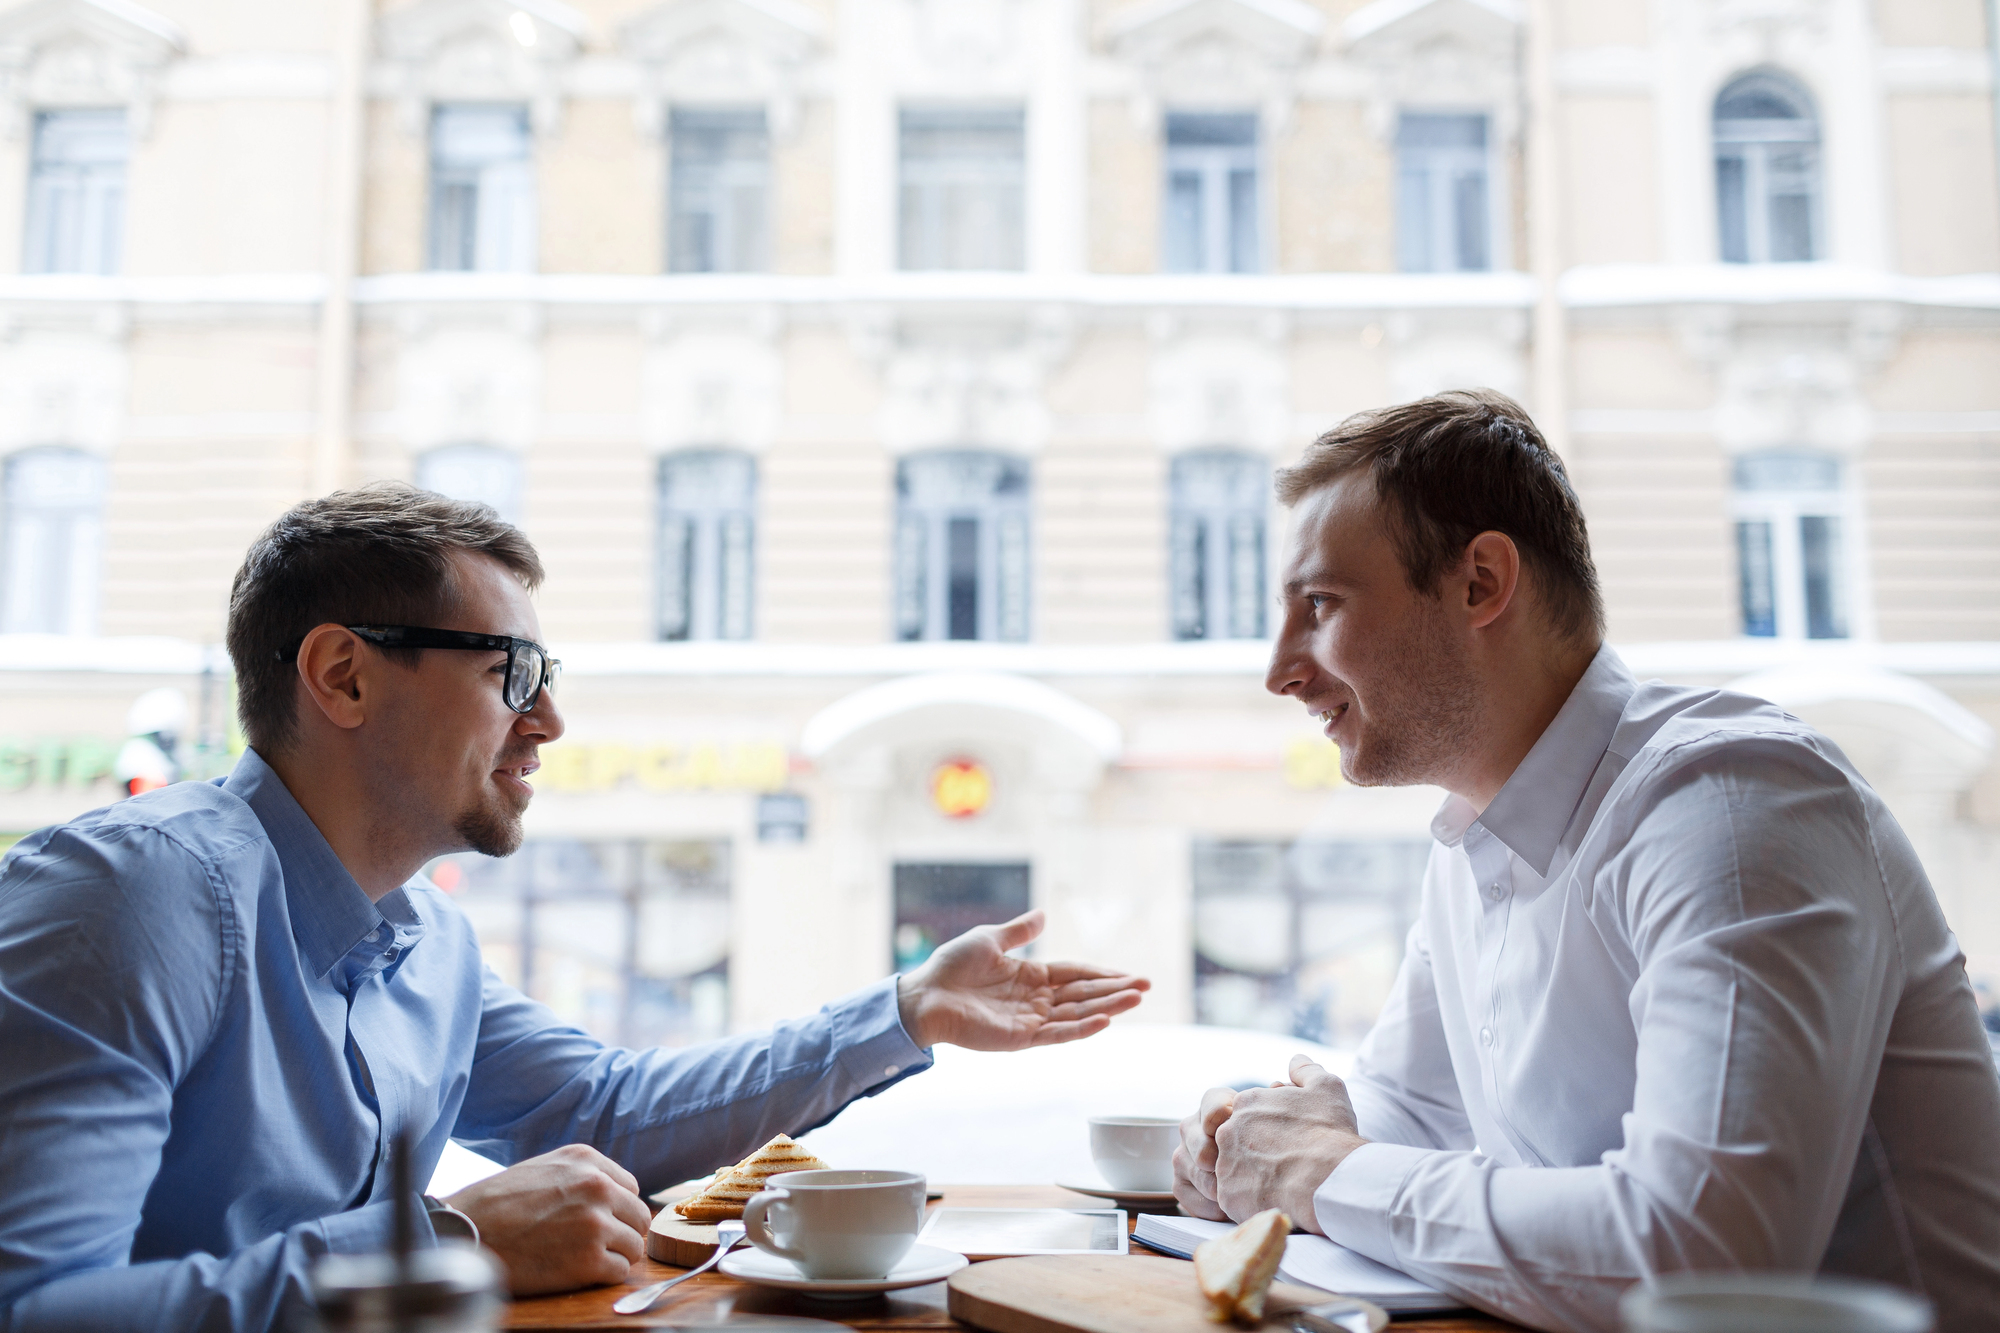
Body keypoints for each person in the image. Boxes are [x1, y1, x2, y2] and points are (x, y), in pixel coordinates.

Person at [0, 485, 1150, 1332]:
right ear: (342, 675)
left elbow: (603, 1108)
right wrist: (441, 1241)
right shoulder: (128, 898)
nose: (547, 721)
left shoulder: (423, 936)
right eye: (510, 671)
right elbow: (38, 1306)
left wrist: (906, 1010)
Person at [1171, 391, 2000, 1332]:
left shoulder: (1730, 804)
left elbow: (1702, 1255)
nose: (1280, 669)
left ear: (1482, 582)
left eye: (1319, 605)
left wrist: (1321, 1170)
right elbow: (1404, 1116)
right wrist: (1258, 1140)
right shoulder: (1470, 841)